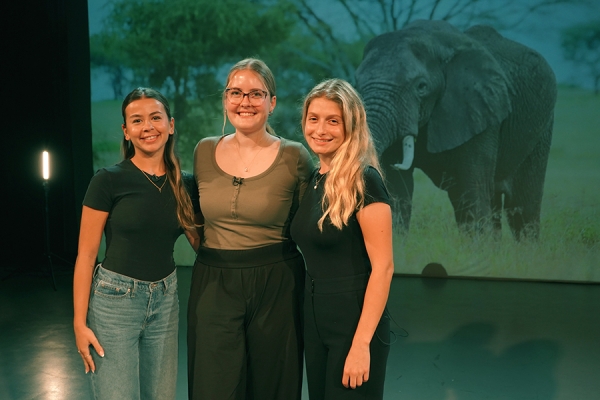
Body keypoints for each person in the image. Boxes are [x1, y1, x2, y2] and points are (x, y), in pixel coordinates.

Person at [187, 58, 314, 399]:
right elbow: (195, 215)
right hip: (214, 281)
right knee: (214, 385)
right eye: (235, 92)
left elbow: (310, 222)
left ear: (272, 102)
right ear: (225, 99)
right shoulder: (203, 150)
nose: (245, 102)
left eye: (256, 94)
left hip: (277, 282)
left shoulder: (295, 156)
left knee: (273, 385)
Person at [73, 87, 200, 399]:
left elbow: (203, 244)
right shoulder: (108, 180)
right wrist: (79, 322)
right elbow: (86, 255)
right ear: (126, 131)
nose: (148, 127)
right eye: (138, 120)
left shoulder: (185, 184)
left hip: (166, 299)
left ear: (170, 125)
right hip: (114, 301)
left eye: (155, 118)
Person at [291, 78, 394, 399]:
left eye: (333, 121)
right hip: (315, 319)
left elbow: (384, 267)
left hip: (353, 322)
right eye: (314, 119)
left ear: (351, 126)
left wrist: (362, 344)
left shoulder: (366, 180)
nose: (320, 129)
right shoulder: (314, 178)